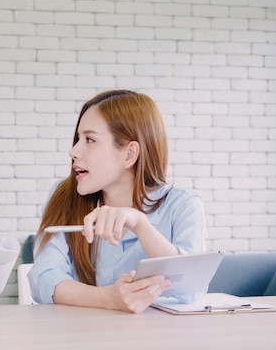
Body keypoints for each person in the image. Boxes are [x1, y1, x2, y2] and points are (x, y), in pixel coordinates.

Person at [29, 89, 206, 313]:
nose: (73, 151)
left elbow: (191, 288)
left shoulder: (182, 204)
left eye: (90, 140)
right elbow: (43, 278)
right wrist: (108, 298)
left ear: (129, 154)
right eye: (78, 139)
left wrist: (140, 224)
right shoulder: (63, 195)